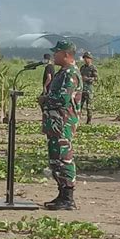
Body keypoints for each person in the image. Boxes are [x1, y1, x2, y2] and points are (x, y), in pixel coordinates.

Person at [40, 40, 83, 210]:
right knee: (55, 158)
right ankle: (61, 193)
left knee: (64, 157)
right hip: (55, 122)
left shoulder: (70, 73)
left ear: (66, 54)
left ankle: (68, 197)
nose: (54, 56)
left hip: (64, 122)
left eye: (56, 53)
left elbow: (63, 99)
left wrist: (45, 99)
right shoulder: (61, 72)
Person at [80, 51, 98, 124]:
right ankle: (77, 119)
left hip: (89, 89)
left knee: (89, 106)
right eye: (84, 58)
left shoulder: (93, 68)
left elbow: (96, 78)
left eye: (87, 58)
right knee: (79, 105)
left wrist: (87, 79)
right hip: (82, 89)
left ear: (90, 59)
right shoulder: (82, 67)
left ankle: (89, 120)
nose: (85, 60)